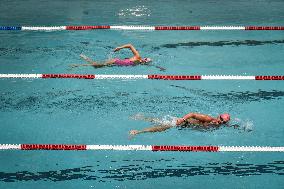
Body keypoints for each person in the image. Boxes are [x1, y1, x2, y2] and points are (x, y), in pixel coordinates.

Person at [129, 112, 231, 136]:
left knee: (160, 121)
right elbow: (193, 114)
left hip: (186, 126)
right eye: (221, 118)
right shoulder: (208, 119)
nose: (220, 121)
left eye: (223, 121)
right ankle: (138, 131)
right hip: (183, 123)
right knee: (162, 127)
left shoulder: (218, 125)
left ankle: (140, 117)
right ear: (218, 116)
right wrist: (182, 119)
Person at [70, 43, 153, 68]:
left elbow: (152, 65)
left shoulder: (139, 63)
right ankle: (77, 65)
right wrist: (120, 48)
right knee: (95, 65)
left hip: (116, 64)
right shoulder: (138, 57)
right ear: (144, 58)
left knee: (96, 66)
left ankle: (84, 59)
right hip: (115, 61)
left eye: (146, 61)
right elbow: (130, 45)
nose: (145, 60)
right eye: (146, 59)